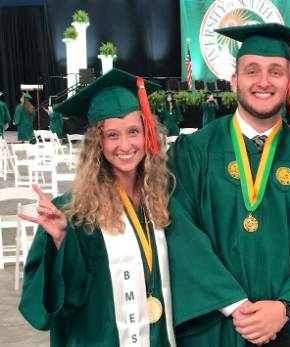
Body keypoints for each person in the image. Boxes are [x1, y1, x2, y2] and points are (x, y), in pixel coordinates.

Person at [166, 23, 290, 347]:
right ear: (234, 80)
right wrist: (234, 304)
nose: (263, 81)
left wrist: (285, 306)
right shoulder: (193, 152)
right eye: (252, 71)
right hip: (215, 327)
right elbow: (180, 231)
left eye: (276, 72)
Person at [18, 68, 176, 347]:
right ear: (96, 143)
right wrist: (60, 242)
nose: (125, 145)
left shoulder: (162, 200)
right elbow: (52, 307)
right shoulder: (72, 211)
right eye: (112, 135)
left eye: (134, 132)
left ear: (148, 134)